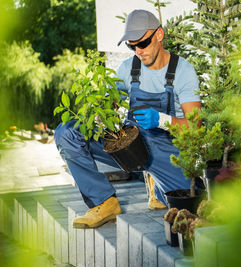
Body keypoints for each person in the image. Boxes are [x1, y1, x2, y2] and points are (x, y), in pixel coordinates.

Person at [54, 9, 201, 229]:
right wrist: (100, 113)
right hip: (129, 146)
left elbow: (196, 126)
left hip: (167, 153)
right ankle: (104, 202)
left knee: (189, 206)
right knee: (67, 132)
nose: (138, 51)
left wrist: (162, 120)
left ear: (159, 35)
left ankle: (156, 184)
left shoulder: (182, 71)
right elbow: (110, 105)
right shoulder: (127, 68)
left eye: (143, 43)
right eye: (132, 46)